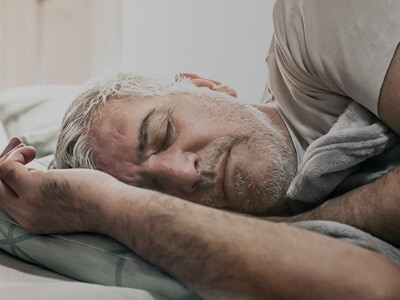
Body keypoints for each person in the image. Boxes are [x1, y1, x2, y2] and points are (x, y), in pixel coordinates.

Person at [1, 0, 400, 298]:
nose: (184, 174)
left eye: (162, 133)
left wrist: (305, 222)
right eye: (153, 194)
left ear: (204, 84)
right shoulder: (245, 244)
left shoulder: (312, 23)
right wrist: (106, 204)